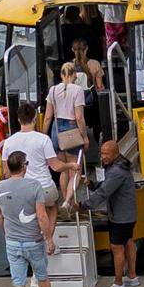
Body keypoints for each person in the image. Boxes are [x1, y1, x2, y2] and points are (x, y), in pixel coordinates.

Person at [0, 151, 64, 287]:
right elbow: (42, 216)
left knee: (19, 283)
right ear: (24, 166)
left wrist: (7, 235)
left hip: (13, 242)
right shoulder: (35, 186)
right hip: (33, 241)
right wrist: (49, 239)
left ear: (9, 167)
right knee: (41, 276)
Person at [0, 101, 80, 234]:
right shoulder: (43, 139)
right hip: (44, 189)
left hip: (21, 190)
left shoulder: (8, 142)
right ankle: (48, 238)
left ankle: (35, 235)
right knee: (53, 207)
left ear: (19, 120)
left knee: (30, 211)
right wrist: (71, 165)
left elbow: (6, 172)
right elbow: (56, 167)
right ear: (35, 118)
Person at [77, 141, 139, 287]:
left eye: (106, 154)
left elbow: (104, 193)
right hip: (127, 214)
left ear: (116, 153)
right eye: (101, 153)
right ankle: (132, 276)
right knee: (128, 241)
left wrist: (83, 205)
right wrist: (93, 185)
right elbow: (107, 185)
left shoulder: (117, 170)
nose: (102, 157)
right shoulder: (119, 166)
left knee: (116, 248)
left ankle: (118, 283)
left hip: (121, 217)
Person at [43, 62, 89, 208]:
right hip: (72, 130)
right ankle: (68, 201)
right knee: (75, 169)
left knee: (63, 169)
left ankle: (65, 201)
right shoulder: (78, 90)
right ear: (75, 74)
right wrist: (85, 137)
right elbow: (79, 117)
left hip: (56, 131)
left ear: (61, 75)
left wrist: (44, 136)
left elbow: (48, 117)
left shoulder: (52, 90)